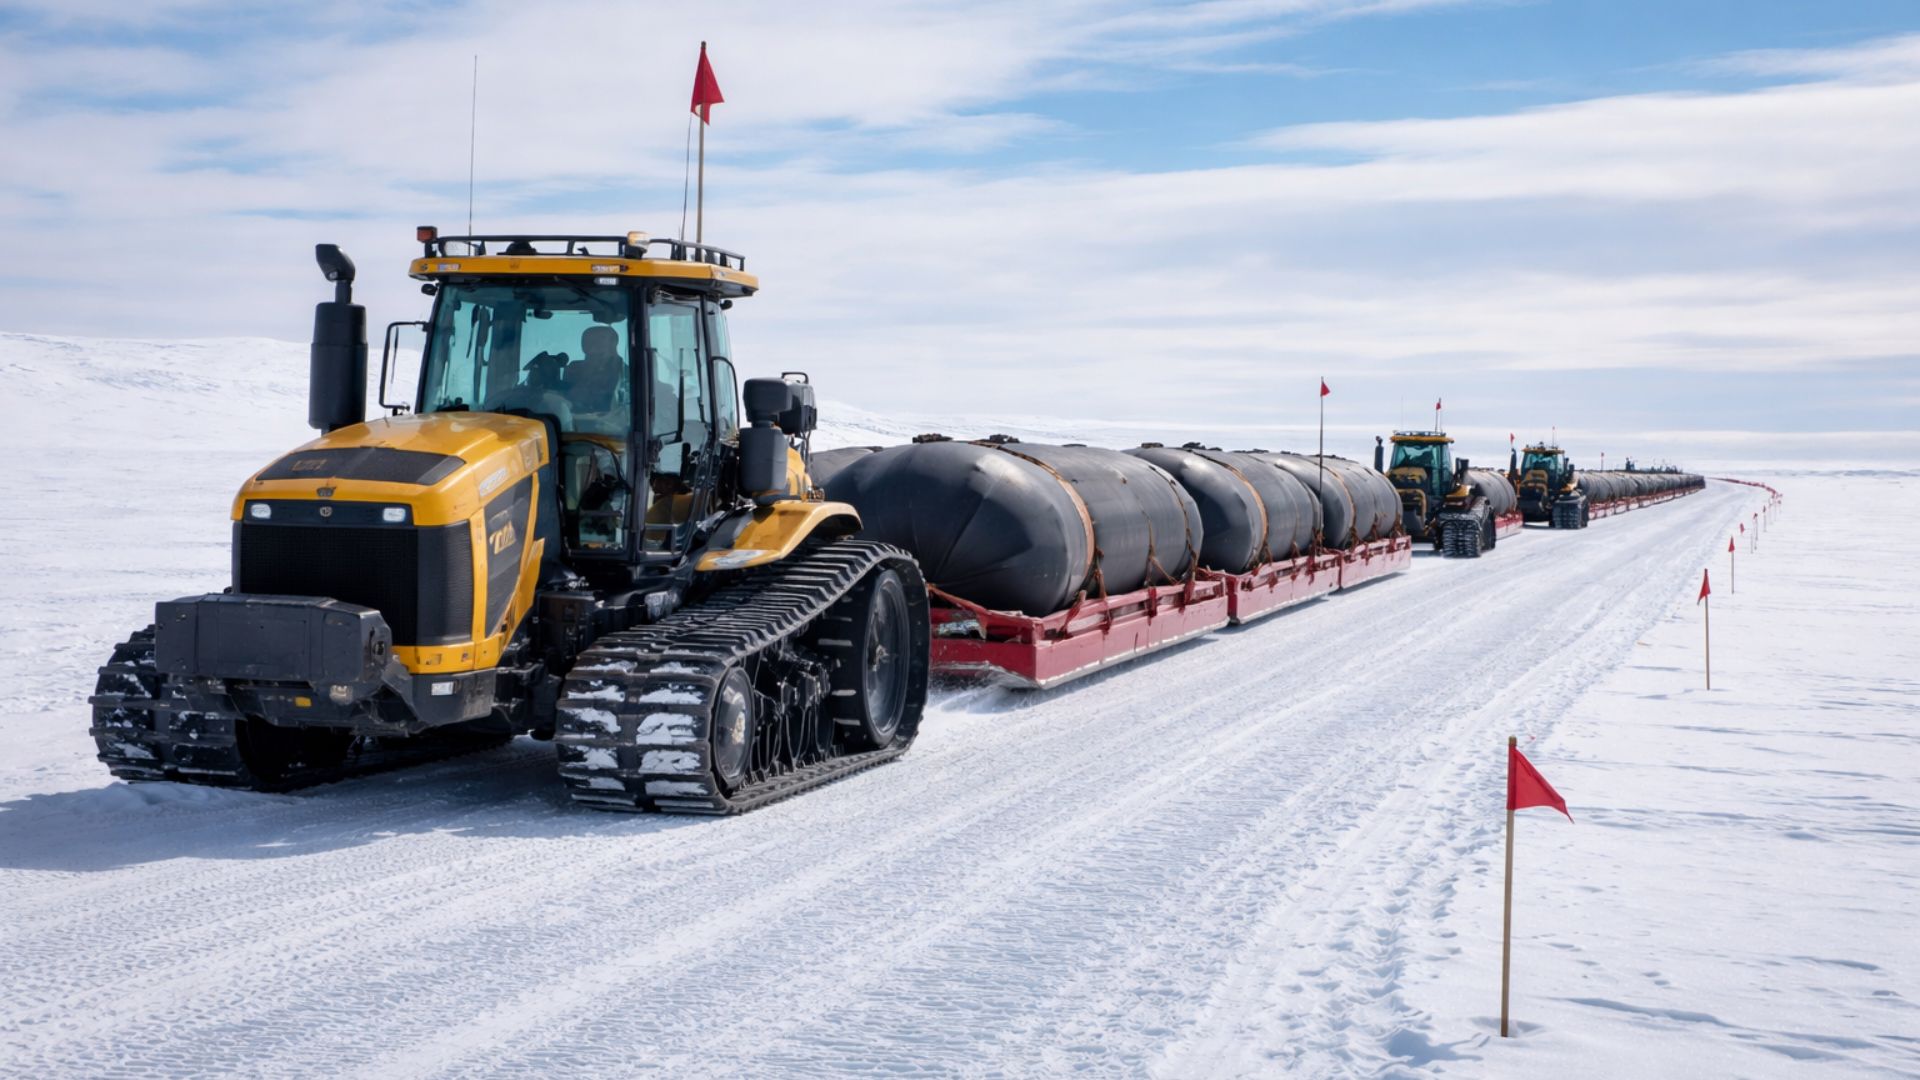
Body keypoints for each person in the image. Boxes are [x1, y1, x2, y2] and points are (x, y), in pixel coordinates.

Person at [567, 325, 625, 421]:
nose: (592, 344)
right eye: (587, 340)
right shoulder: (575, 369)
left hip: (611, 427)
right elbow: (564, 395)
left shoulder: (626, 373)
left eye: (600, 339)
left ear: (613, 343)